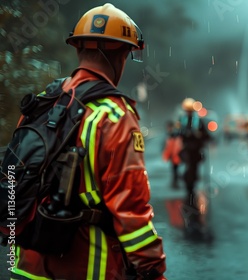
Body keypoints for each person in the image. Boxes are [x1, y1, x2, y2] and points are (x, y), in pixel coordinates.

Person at [10, 4, 167, 279]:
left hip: (25, 268)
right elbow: (132, 213)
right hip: (86, 267)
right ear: (120, 53)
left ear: (78, 48)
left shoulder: (41, 104)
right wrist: (153, 270)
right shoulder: (114, 115)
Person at [177, 98, 210, 207]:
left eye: (190, 111)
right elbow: (177, 133)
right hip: (186, 149)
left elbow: (206, 136)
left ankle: (192, 185)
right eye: (187, 111)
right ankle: (188, 185)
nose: (189, 113)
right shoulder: (182, 120)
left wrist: (199, 136)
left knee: (194, 169)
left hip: (196, 150)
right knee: (188, 168)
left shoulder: (199, 121)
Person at [162, 120, 182, 187]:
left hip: (176, 155)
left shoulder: (174, 135)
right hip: (173, 156)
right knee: (175, 170)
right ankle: (175, 182)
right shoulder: (171, 135)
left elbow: (175, 146)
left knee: (175, 170)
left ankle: (176, 182)